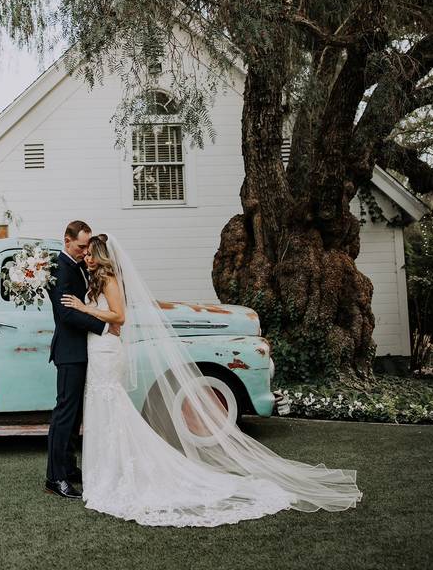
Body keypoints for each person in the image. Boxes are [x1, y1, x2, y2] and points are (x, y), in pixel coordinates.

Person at [59, 232, 362, 527]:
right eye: (84, 252)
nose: (86, 257)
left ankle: (115, 475)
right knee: (102, 408)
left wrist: (85, 307)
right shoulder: (93, 278)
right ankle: (105, 473)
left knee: (111, 406)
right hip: (97, 349)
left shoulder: (110, 279)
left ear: (100, 256)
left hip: (107, 351)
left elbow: (120, 317)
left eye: (89, 253)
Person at [44, 221, 120, 499]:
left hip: (84, 350)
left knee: (75, 416)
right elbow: (66, 314)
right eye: (80, 247)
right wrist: (102, 327)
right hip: (70, 352)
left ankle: (69, 466)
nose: (85, 252)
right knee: (64, 415)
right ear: (66, 240)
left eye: (88, 247)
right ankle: (55, 477)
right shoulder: (60, 269)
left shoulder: (78, 267)